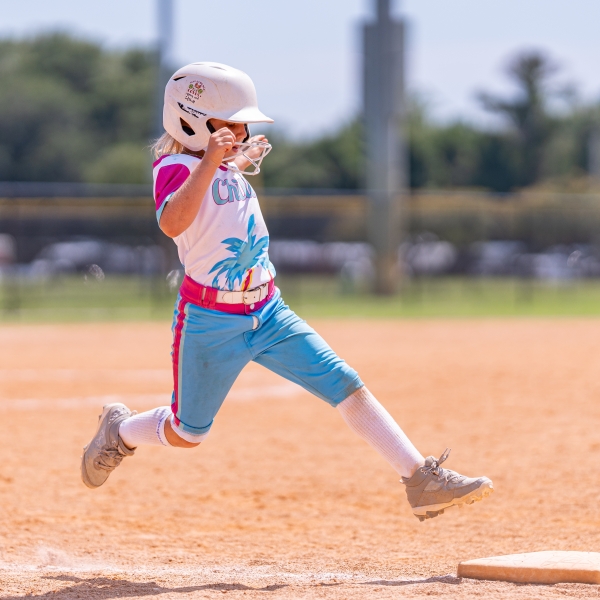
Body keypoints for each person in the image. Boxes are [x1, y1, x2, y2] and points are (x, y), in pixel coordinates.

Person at [81, 62, 493, 522]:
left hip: (269, 309)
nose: (241, 130)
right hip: (211, 319)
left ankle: (420, 479)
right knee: (187, 432)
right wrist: (217, 161)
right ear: (194, 121)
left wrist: (231, 159)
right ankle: (122, 432)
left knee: (345, 385)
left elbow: (217, 190)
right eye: (232, 123)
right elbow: (173, 221)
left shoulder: (217, 167)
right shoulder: (175, 166)